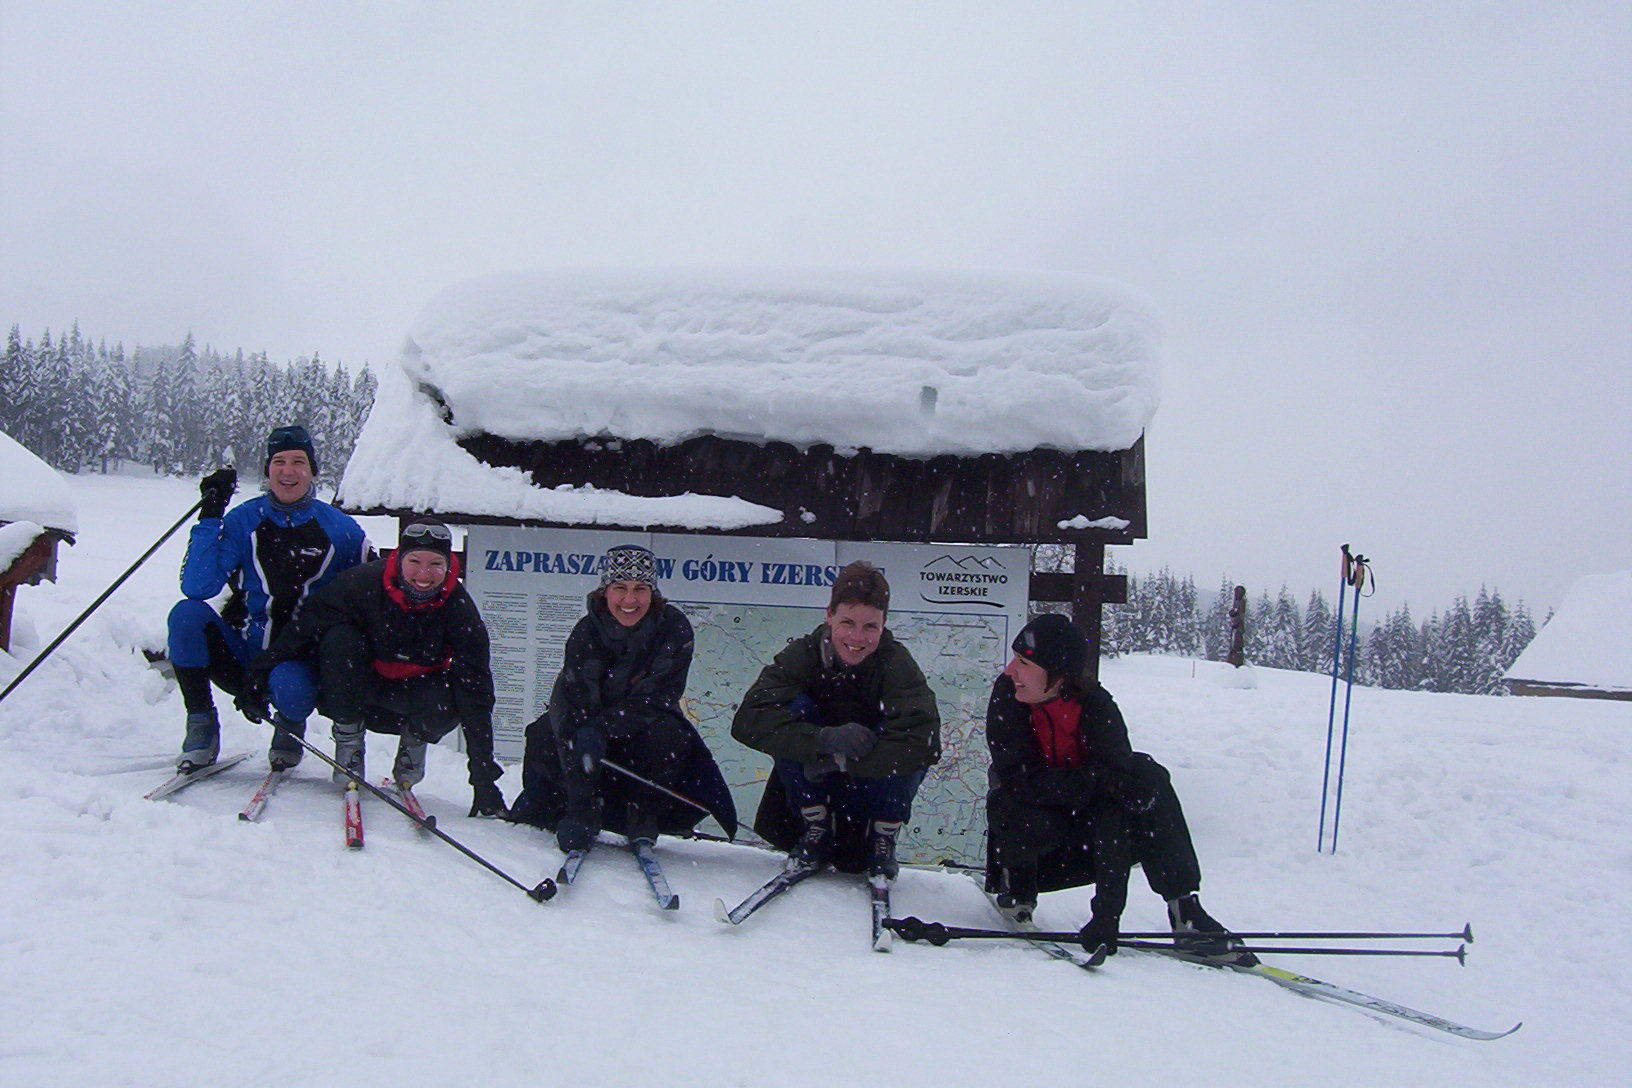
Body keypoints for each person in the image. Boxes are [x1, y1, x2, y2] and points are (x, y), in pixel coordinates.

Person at [984, 612, 1252, 962]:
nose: (1009, 670)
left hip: (1086, 842)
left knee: (1146, 775)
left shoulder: (1097, 708)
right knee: (1010, 797)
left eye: (1022, 662)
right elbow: (1021, 780)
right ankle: (1016, 888)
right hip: (1035, 838)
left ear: (1058, 674)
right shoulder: (1008, 697)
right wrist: (1096, 781)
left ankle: (1185, 910)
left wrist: (1107, 915)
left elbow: (1114, 808)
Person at [249, 519, 506, 815]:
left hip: (411, 701)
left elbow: (477, 690)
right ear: (399, 559)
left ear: (449, 565)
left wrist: (484, 777)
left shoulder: (459, 610)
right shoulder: (360, 584)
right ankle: (349, 746)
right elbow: (306, 627)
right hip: (355, 693)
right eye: (415, 561)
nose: (424, 574)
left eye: (436, 563)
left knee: (456, 690)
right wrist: (258, 672)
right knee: (340, 639)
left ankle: (412, 752)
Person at [168, 424, 371, 772]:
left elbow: (368, 596)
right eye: (278, 462)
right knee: (186, 615)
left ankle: (290, 727)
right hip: (245, 653)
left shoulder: (342, 529)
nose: (288, 471)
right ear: (267, 470)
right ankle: (201, 724)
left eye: (298, 462)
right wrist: (210, 514)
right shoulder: (243, 520)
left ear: (312, 471)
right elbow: (198, 587)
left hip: (299, 661)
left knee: (290, 688)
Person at [507, 544, 736, 852]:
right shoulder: (586, 633)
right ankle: (573, 811)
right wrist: (580, 805)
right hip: (590, 740)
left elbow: (657, 697)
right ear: (606, 590)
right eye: (620, 588)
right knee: (547, 734)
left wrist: (602, 727)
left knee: (668, 735)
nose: (630, 600)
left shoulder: (673, 628)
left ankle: (642, 814)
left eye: (640, 588)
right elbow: (573, 705)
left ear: (652, 593)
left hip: (642, 733)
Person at [731, 560, 940, 879]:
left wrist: (841, 761)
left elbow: (925, 743)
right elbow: (749, 720)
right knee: (790, 707)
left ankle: (883, 837)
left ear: (883, 624)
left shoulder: (897, 664)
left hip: (872, 793)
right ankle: (816, 829)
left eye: (870, 626)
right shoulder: (802, 655)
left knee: (908, 732)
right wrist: (822, 740)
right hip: (812, 792)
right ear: (829, 615)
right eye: (848, 622)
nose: (857, 637)